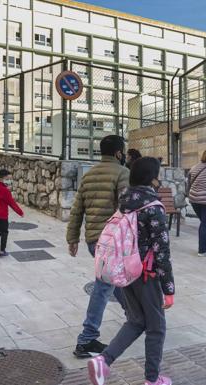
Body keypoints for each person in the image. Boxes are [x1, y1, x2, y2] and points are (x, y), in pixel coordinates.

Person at [86, 157, 174, 385]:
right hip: (147, 275)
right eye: (158, 175)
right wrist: (169, 289)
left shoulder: (125, 201)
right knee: (156, 327)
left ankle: (103, 361)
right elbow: (161, 251)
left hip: (125, 272)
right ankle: (152, 380)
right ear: (152, 178)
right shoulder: (153, 207)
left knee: (136, 321)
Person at [67, 134, 129, 358]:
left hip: (95, 241)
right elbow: (127, 207)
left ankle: (135, 318)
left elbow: (77, 209)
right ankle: (86, 340)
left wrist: (72, 238)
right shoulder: (123, 173)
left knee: (119, 282)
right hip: (113, 242)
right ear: (118, 153)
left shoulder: (90, 174)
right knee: (104, 287)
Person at [0, 169, 24, 257]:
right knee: (4, 232)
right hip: (2, 216)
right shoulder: (6, 191)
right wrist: (20, 212)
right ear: (1, 179)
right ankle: (2, 250)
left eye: (10, 179)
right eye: (7, 178)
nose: (9, 181)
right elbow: (12, 203)